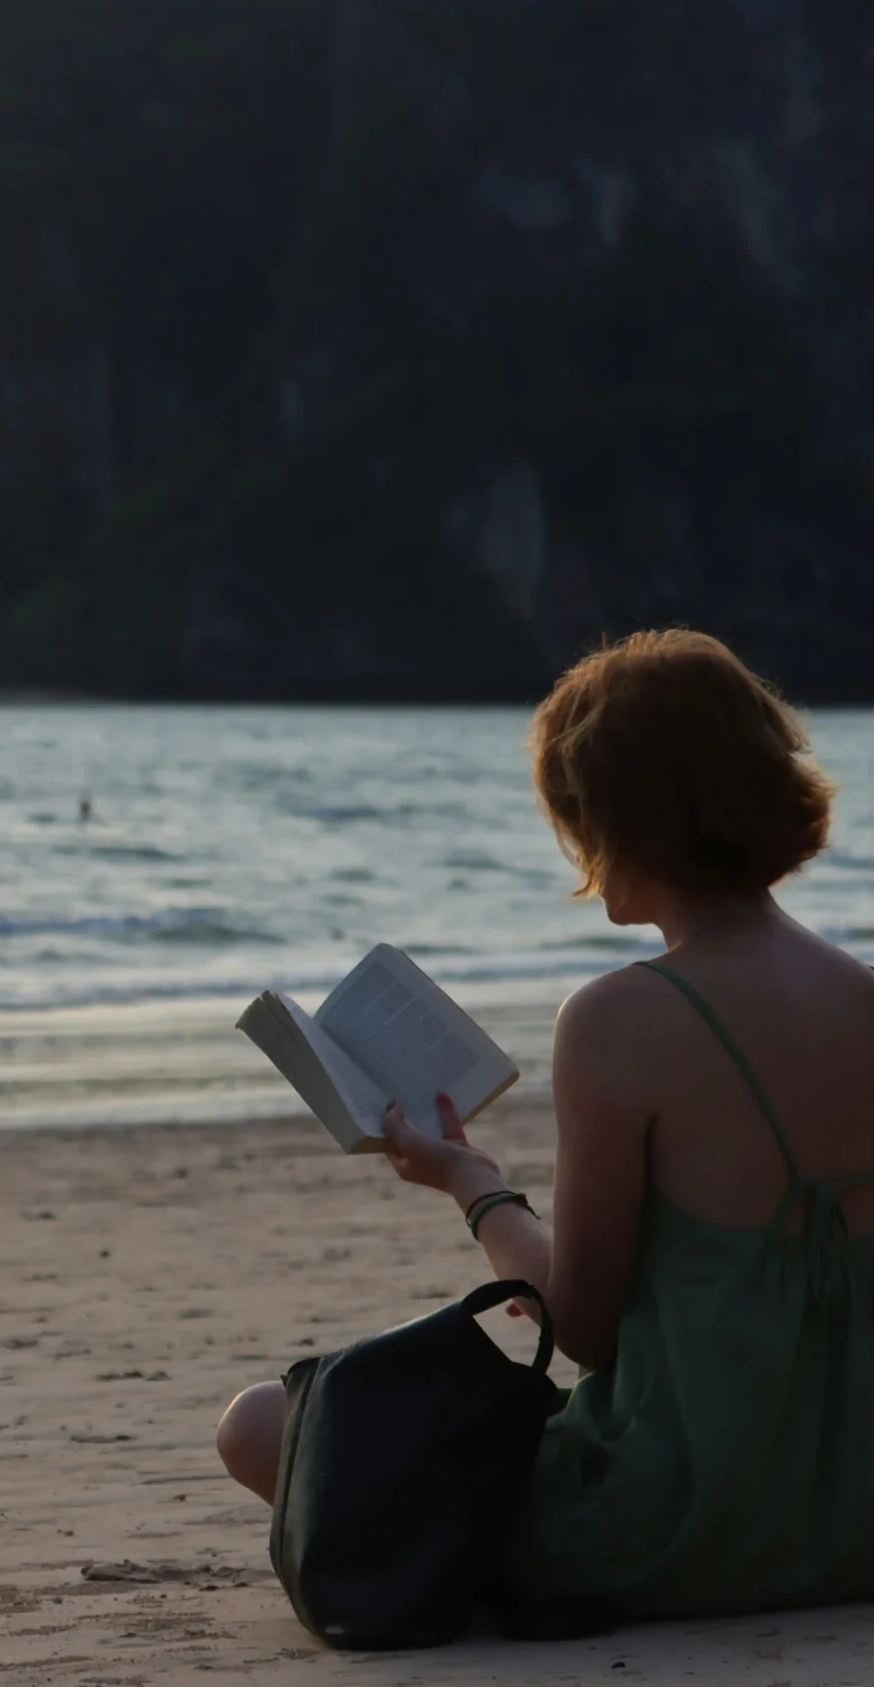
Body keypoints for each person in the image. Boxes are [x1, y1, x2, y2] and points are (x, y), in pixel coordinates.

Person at [214, 629, 874, 1619]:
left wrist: (470, 1184)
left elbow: (587, 1329)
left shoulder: (621, 1017)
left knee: (261, 1424)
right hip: (849, 1521)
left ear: (614, 820)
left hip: (670, 1528)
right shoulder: (860, 997)